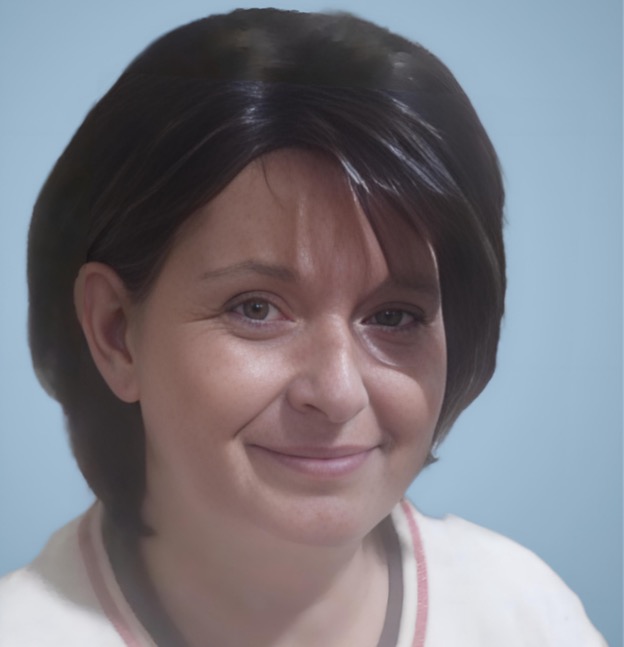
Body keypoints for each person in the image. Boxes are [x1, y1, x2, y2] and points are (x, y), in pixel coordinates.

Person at [0, 8, 606, 646]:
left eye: (393, 317)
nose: (338, 393)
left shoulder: (526, 619)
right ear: (116, 333)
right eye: (256, 308)